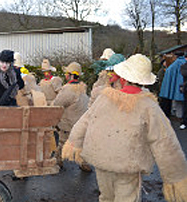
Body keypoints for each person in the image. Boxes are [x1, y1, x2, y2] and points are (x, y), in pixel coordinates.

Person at [62, 54, 187, 202]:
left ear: (122, 78)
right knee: (126, 198)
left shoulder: (104, 98)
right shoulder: (149, 106)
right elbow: (164, 142)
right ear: (144, 83)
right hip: (128, 165)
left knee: (106, 197)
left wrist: (73, 143)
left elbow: (85, 121)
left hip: (101, 160)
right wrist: (176, 177)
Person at [52, 62, 90, 171]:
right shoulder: (83, 87)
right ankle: (84, 163)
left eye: (67, 74)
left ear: (70, 75)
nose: (65, 76)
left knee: (63, 141)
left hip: (69, 124)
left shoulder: (68, 89)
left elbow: (57, 104)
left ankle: (58, 160)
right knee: (81, 144)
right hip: (81, 123)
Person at [159, 52, 186, 118]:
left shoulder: (176, 64)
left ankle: (179, 116)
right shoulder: (182, 62)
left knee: (178, 104)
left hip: (179, 87)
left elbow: (169, 72)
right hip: (183, 86)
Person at [180, 52, 187, 130]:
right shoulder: (183, 66)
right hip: (186, 89)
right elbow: (184, 73)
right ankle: (184, 122)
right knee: (185, 106)